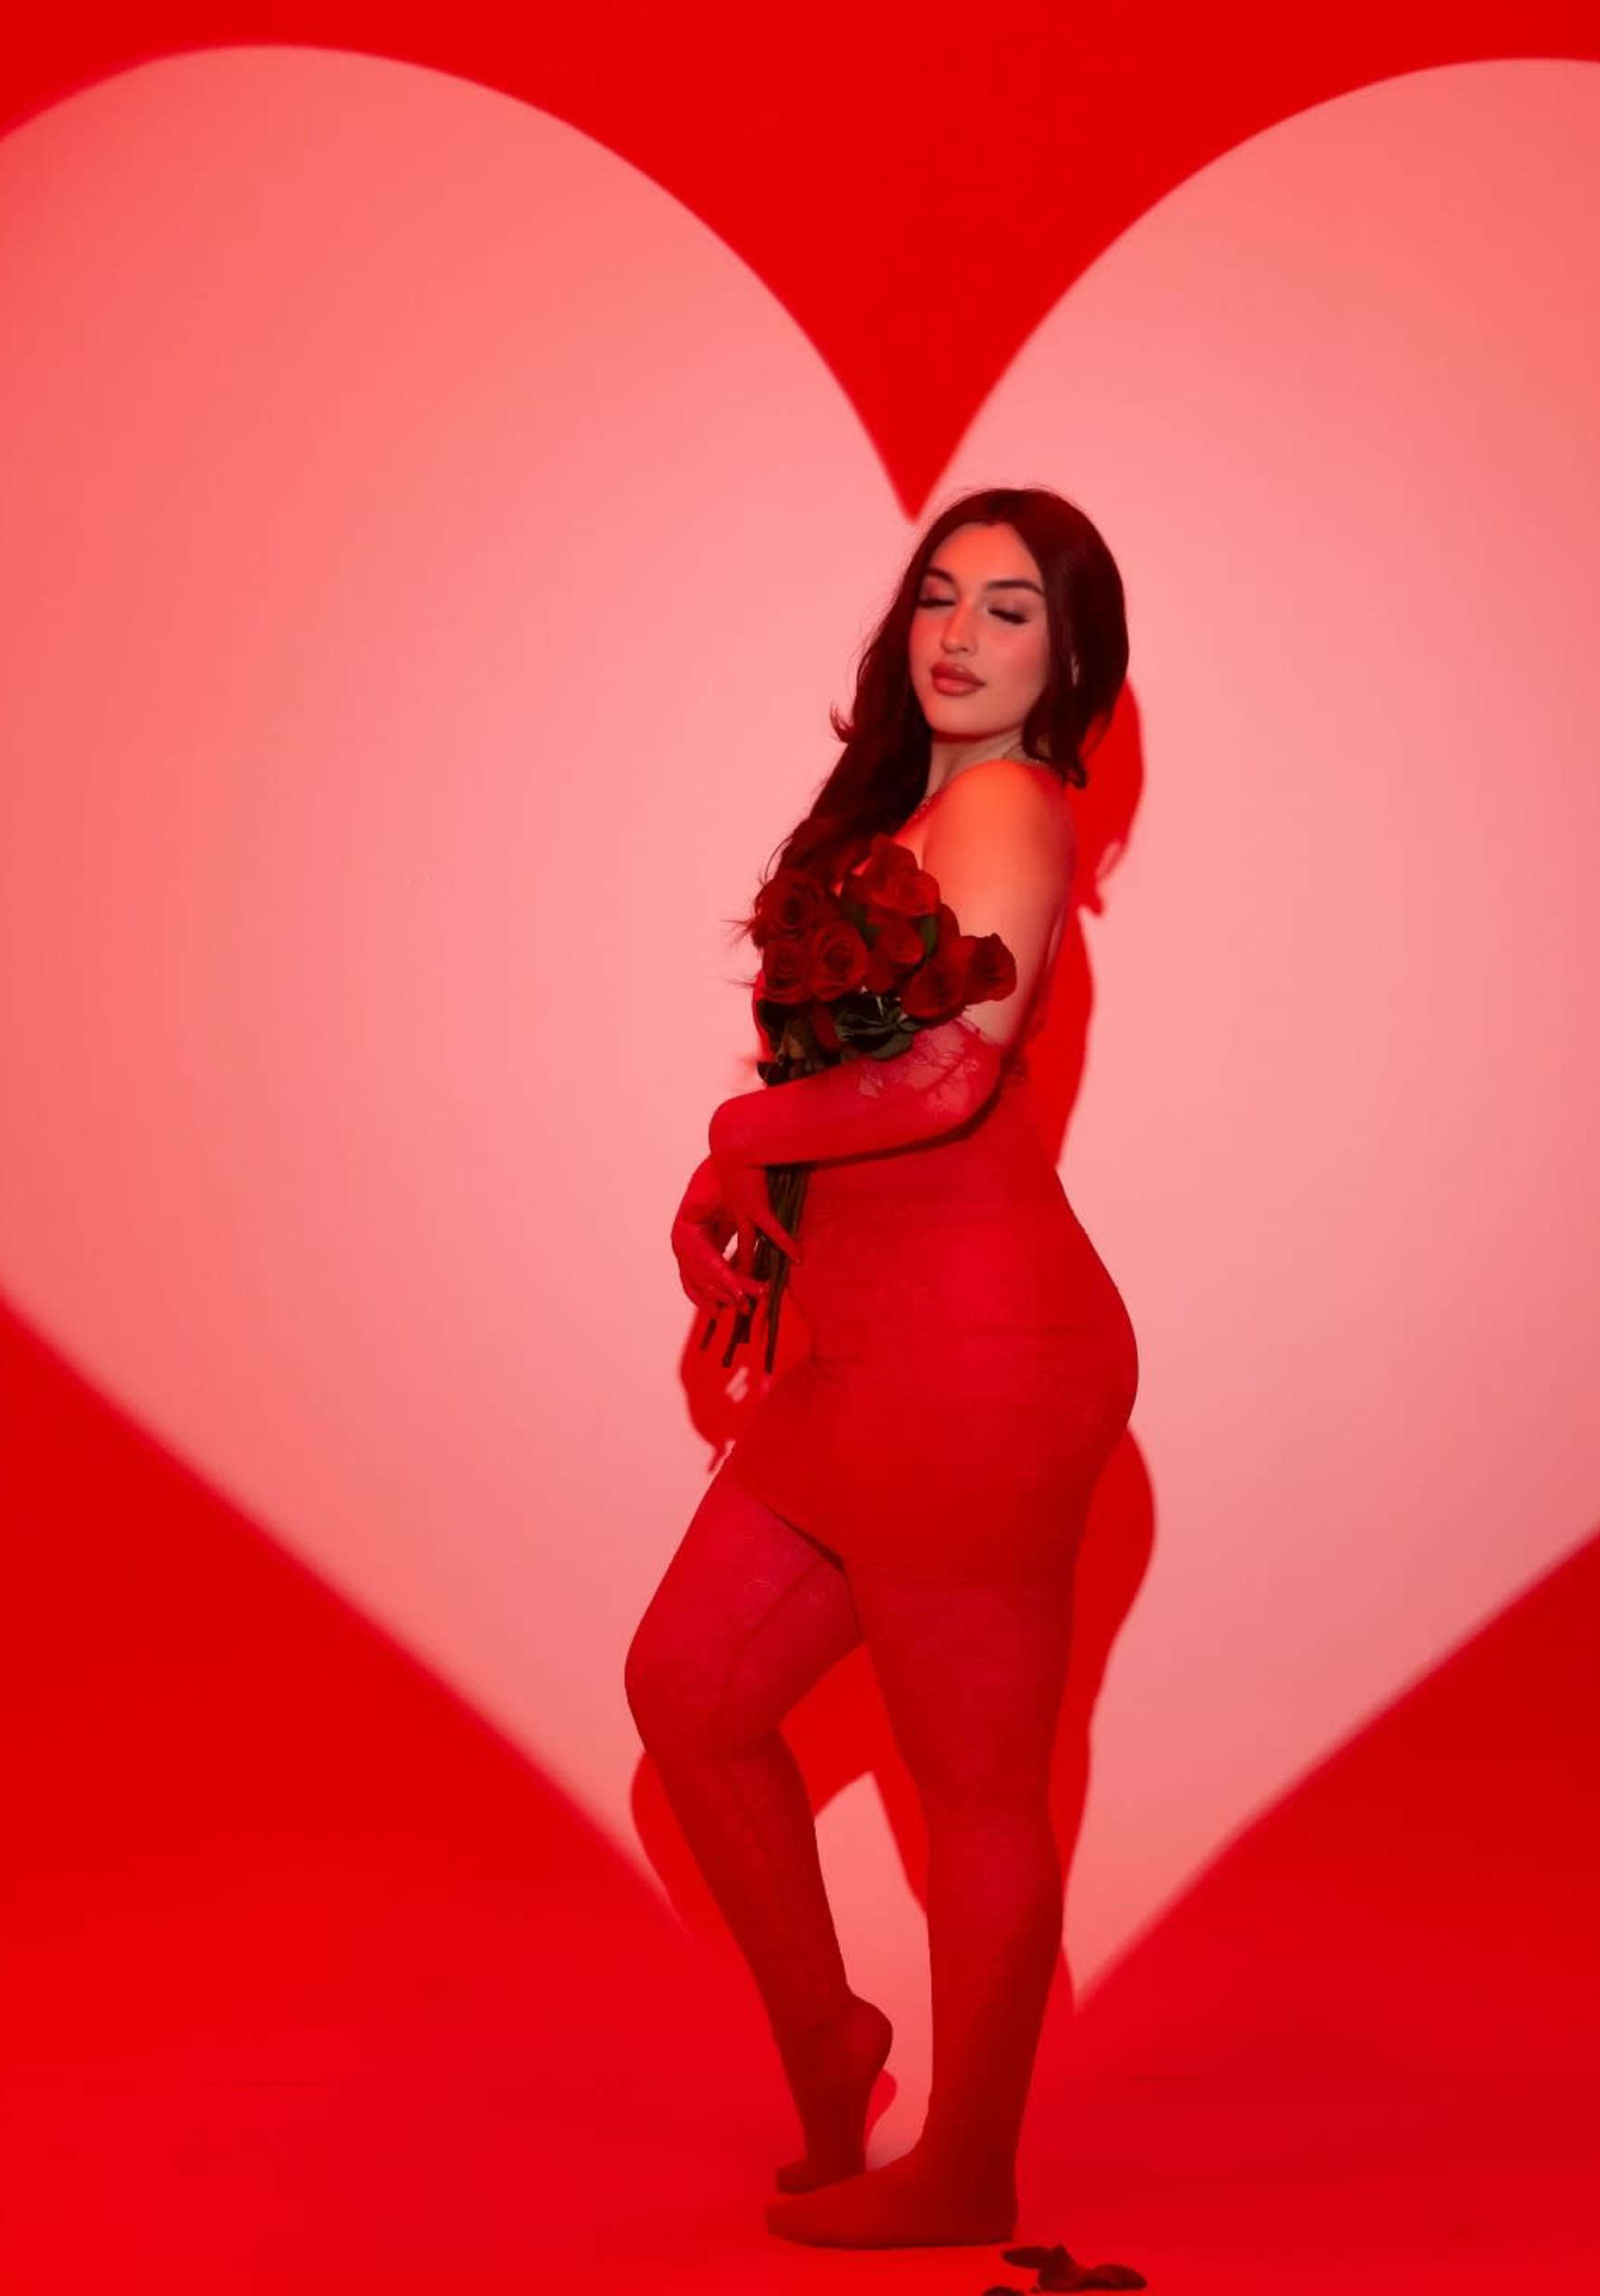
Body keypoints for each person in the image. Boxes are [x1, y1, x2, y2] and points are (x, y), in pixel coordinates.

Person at [626, 487, 1140, 2248]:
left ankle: (969, 2165)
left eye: (1010, 611)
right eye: (940, 596)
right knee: (690, 1694)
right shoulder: (907, 811)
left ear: (1070, 660)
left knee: (974, 1789)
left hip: (982, 1360)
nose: (960, 636)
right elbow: (860, 1083)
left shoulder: (1009, 802)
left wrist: (725, 1122)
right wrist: (744, 1172)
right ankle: (832, 2039)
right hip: (858, 1354)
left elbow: (945, 1080)